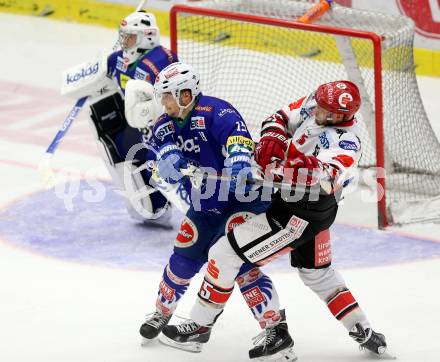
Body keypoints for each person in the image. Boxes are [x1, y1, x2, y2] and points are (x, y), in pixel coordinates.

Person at [160, 81, 389, 361]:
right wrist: (274, 138)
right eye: (318, 104)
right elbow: (278, 118)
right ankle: (364, 330)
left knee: (224, 253)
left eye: (327, 112)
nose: (316, 111)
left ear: (342, 117)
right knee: (316, 273)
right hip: (305, 207)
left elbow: (324, 178)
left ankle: (206, 326)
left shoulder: (347, 141)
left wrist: (283, 167)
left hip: (301, 212)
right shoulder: (316, 103)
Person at [137, 61, 284, 352]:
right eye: (162, 96)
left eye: (168, 95)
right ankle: (162, 312)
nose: (163, 102)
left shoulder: (219, 112)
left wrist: (239, 164)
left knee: (240, 266)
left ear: (187, 94)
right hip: (206, 203)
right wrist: (169, 165)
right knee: (183, 256)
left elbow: (239, 144)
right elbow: (166, 152)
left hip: (245, 202)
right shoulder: (164, 125)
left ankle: (275, 330)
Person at [62, 9, 181, 224]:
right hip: (139, 123)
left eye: (130, 36)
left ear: (148, 37)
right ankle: (153, 204)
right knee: (119, 151)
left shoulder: (160, 60)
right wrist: (91, 80)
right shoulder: (119, 59)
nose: (124, 41)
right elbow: (94, 77)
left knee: (160, 162)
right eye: (123, 35)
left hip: (167, 126)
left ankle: (173, 203)